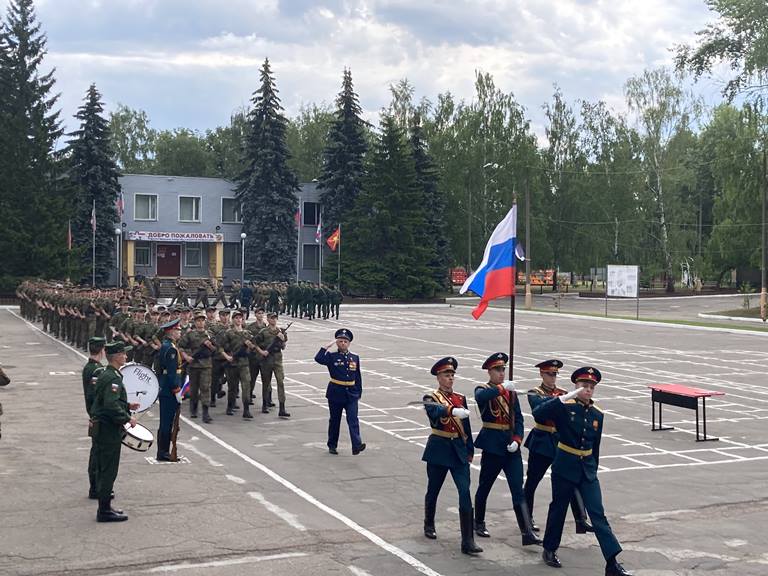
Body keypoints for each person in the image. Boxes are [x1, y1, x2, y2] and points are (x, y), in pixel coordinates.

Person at [536, 367, 632, 576]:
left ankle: (612, 562)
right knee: (559, 508)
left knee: (598, 514)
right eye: (583, 386)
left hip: (586, 469)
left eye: (591, 387)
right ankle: (549, 549)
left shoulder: (598, 414)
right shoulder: (565, 406)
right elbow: (539, 413)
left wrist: (593, 470)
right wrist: (560, 400)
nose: (587, 389)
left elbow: (595, 447)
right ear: (576, 386)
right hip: (565, 465)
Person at [473, 352, 541, 546]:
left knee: (518, 489)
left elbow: (518, 418)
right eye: (497, 370)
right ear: (489, 371)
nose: (501, 373)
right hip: (492, 446)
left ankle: (526, 531)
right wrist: (503, 388)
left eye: (503, 369)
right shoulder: (483, 389)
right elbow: (481, 397)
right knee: (485, 486)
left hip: (511, 447)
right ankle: (479, 521)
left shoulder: (511, 393)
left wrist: (518, 439)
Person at [421, 357, 481, 555]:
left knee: (465, 492)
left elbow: (466, 427)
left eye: (452, 375)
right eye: (446, 375)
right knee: (434, 489)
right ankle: (429, 522)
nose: (450, 378)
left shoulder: (460, 398)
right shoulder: (431, 397)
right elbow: (434, 411)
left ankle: (468, 540)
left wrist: (470, 450)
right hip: (439, 448)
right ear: (438, 377)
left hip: (458, 450)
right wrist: (451, 410)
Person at [524, 359, 593, 534]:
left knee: (571, 480)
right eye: (549, 374)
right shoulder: (535, 393)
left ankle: (581, 518)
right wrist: (559, 400)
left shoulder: (563, 392)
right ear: (542, 374)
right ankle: (526, 519)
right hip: (542, 441)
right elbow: (540, 412)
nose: (553, 377)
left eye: (555, 374)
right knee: (532, 481)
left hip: (560, 442)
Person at [90, 341, 139, 521]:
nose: (126, 356)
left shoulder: (107, 373)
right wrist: (127, 418)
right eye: (123, 354)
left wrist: (127, 405)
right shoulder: (113, 378)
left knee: (104, 466)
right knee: (108, 469)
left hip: (102, 427)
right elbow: (110, 405)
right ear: (117, 356)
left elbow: (107, 400)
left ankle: (106, 506)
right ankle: (104, 511)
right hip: (108, 429)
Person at [314, 328, 364, 455]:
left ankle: (356, 445)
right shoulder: (331, 357)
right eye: (340, 341)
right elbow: (318, 358)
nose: (343, 343)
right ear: (337, 343)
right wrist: (326, 347)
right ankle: (332, 445)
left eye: (345, 341)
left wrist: (358, 392)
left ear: (349, 343)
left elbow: (357, 376)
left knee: (353, 419)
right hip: (336, 392)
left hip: (351, 393)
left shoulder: (354, 357)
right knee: (335, 420)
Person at [178, 311, 215, 423]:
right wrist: (186, 357)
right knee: (193, 389)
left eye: (202, 320)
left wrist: (210, 346)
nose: (200, 322)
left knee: (205, 388)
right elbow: (180, 346)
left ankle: (205, 412)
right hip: (193, 365)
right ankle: (193, 409)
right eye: (198, 320)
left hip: (206, 365)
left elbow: (216, 349)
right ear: (194, 322)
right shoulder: (190, 334)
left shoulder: (210, 334)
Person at [155, 319, 183, 461]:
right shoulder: (171, 349)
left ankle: (163, 451)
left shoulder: (166, 345)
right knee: (167, 422)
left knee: (166, 422)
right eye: (178, 330)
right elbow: (171, 373)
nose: (180, 332)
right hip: (169, 389)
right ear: (171, 332)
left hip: (165, 387)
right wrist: (177, 390)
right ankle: (163, 452)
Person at [217, 310, 253, 418]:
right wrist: (226, 356)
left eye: (240, 318)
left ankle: (246, 409)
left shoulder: (247, 333)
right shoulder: (228, 333)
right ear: (233, 320)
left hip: (244, 364)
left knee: (246, 386)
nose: (238, 320)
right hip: (232, 364)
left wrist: (250, 346)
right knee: (232, 387)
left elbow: (253, 348)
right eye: (236, 318)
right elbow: (220, 347)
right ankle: (230, 406)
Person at [83, 337, 106, 500]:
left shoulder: (90, 367)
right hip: (97, 415)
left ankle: (96, 486)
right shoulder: (95, 370)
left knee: (97, 451)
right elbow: (94, 396)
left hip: (94, 414)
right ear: (102, 350)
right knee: (98, 453)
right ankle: (95, 487)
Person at [254, 312, 289, 418]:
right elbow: (255, 343)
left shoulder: (280, 331)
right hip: (267, 360)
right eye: (271, 318)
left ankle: (282, 408)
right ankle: (265, 404)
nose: (274, 320)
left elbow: (283, 347)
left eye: (275, 318)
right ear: (268, 319)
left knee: (280, 382)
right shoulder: (263, 332)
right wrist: (261, 352)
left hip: (277, 359)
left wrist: (282, 340)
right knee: (266, 383)